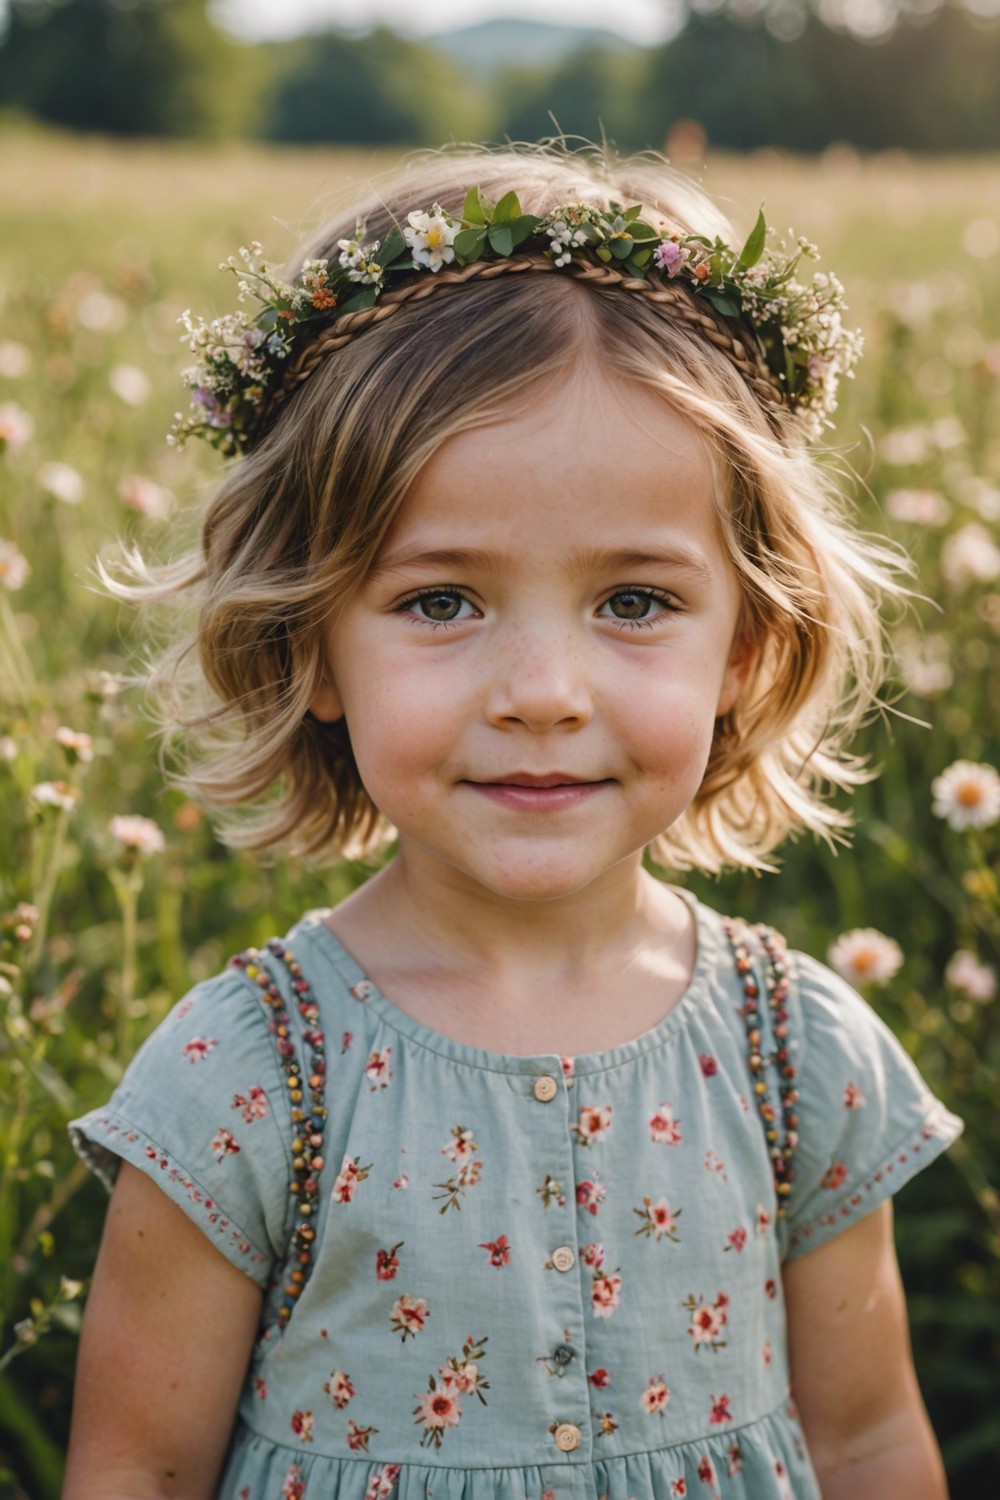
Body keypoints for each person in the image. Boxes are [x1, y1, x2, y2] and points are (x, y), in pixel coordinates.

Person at [63, 143, 961, 1500]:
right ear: (310, 644)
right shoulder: (247, 1081)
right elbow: (134, 1473)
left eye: (636, 602)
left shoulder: (798, 1057)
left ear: (750, 646)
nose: (543, 694)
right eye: (440, 601)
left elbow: (870, 1441)